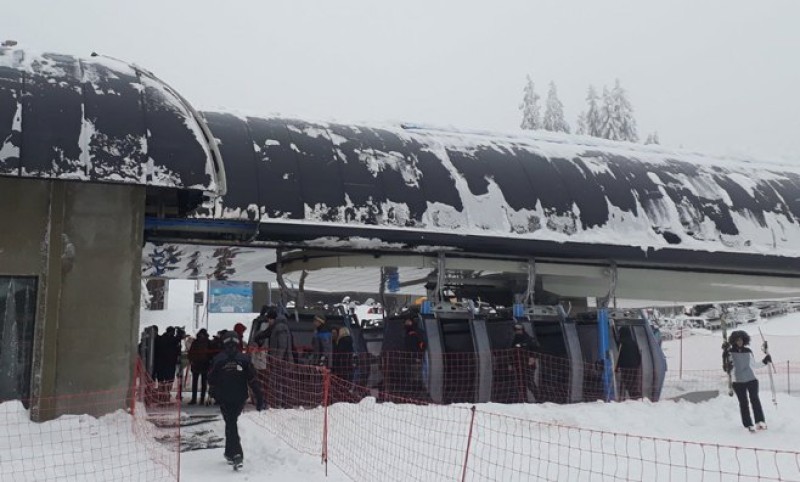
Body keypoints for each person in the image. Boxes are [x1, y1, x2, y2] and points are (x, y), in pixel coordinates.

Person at [208, 330, 265, 467]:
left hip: (224, 397)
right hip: (240, 397)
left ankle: (237, 454)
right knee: (230, 422)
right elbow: (253, 380)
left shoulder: (219, 359)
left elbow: (211, 378)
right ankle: (229, 452)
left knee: (231, 422)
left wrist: (214, 391)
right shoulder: (244, 359)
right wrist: (259, 398)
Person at [724, 330, 771, 432]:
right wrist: (725, 357)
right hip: (738, 381)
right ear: (734, 341)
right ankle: (748, 424)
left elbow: (754, 365)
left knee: (755, 400)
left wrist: (765, 361)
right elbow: (727, 368)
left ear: (744, 340)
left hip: (751, 380)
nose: (739, 342)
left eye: (741, 340)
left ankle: (760, 421)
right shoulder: (730, 352)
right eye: (737, 340)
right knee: (743, 403)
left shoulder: (748, 351)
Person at [509, 323, 540, 402]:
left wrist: (533, 357)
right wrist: (511, 364)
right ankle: (524, 400)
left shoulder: (529, 339)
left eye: (519, 330)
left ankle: (539, 398)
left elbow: (536, 349)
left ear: (522, 330)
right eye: (516, 330)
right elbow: (512, 352)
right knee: (520, 383)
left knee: (529, 382)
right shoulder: (515, 340)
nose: (517, 331)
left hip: (528, 364)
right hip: (519, 365)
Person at [402, 317, 428, 398]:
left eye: (408, 321)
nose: (407, 323)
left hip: (416, 358)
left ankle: (418, 394)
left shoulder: (416, 332)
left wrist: (418, 356)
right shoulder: (407, 332)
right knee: (410, 376)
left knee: (417, 376)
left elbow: (422, 345)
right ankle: (412, 394)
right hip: (408, 358)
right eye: (406, 322)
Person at [616, 327, 643, 400]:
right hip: (634, 366)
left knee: (627, 382)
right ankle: (635, 396)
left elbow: (619, 356)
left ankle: (631, 397)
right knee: (633, 382)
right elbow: (638, 355)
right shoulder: (633, 343)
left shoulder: (621, 343)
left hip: (625, 367)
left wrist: (617, 366)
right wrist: (637, 364)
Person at [187, 329, 211, 405]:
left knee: (197, 383)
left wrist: (191, 360)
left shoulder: (196, 342)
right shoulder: (208, 342)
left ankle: (195, 399)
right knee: (203, 383)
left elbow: (191, 352)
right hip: (203, 364)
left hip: (198, 364)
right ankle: (201, 399)